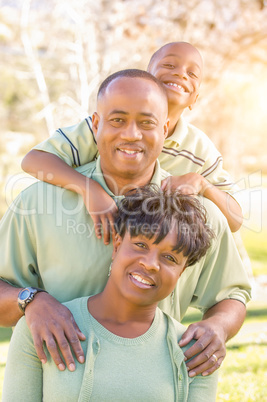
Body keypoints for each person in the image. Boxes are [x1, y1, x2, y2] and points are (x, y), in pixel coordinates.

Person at [0, 70, 251, 379]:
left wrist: (218, 327)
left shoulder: (201, 215)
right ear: (95, 124)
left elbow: (231, 295)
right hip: (54, 387)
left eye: (146, 123)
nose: (132, 134)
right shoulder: (37, 202)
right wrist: (31, 301)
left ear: (165, 128)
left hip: (153, 388)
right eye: (117, 120)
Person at [3, 186, 218, 402]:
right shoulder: (42, 327)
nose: (150, 264)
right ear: (116, 245)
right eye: (141, 244)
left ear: (181, 272)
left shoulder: (197, 352)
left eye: (170, 258)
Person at [21, 42, 243, 244]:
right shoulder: (105, 128)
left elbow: (235, 220)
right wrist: (90, 189)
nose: (180, 74)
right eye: (169, 64)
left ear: (195, 99)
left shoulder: (200, 150)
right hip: (87, 234)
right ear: (147, 79)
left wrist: (202, 184)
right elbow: (33, 160)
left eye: (192, 73)